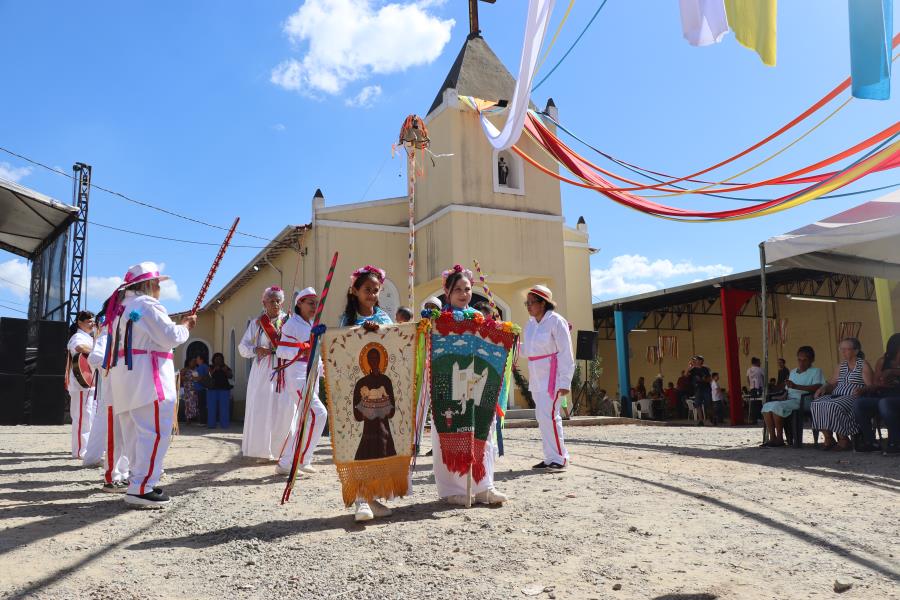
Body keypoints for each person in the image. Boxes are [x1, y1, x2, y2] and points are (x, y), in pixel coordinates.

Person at [107, 262, 195, 508]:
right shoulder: (147, 304)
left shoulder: (120, 309)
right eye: (156, 283)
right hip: (149, 377)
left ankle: (139, 481)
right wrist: (186, 326)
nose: (159, 288)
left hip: (126, 379)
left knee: (136, 434)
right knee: (155, 433)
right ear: (146, 284)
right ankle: (142, 487)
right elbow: (170, 337)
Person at [431, 265, 507, 506]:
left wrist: (502, 331)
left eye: (467, 289)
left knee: (483, 432)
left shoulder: (479, 319)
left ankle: (484, 486)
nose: (464, 294)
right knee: (448, 433)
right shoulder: (439, 320)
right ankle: (452, 489)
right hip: (448, 385)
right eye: (457, 290)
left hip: (476, 384)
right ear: (447, 291)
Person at [340, 265, 394, 522]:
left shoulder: (383, 318)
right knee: (359, 448)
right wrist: (361, 333)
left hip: (381, 408)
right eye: (367, 290)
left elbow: (394, 344)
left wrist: (380, 333)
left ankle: (373, 498)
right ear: (355, 291)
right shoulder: (347, 321)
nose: (372, 294)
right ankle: (361, 499)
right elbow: (344, 350)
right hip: (358, 395)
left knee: (380, 450)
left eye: (375, 290)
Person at [521, 284, 575, 470]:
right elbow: (527, 350)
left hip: (552, 378)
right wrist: (505, 341)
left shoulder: (556, 321)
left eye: (531, 302)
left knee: (551, 416)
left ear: (543, 303)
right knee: (542, 417)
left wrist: (565, 381)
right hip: (536, 377)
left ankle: (560, 458)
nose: (528, 306)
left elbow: (566, 352)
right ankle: (550, 456)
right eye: (526, 303)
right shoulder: (530, 324)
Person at [274, 288, 324, 476]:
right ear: (299, 303)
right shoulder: (291, 324)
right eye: (309, 302)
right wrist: (300, 348)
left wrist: (322, 370)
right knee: (318, 414)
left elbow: (316, 353)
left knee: (308, 418)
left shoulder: (312, 324)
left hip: (311, 374)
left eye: (315, 302)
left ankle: (290, 462)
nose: (314, 306)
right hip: (297, 376)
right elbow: (281, 351)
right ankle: (299, 459)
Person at [82, 304, 131, 491]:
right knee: (113, 431)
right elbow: (95, 358)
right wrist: (113, 371)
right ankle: (111, 475)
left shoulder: (124, 330)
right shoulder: (109, 331)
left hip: (124, 391)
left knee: (122, 432)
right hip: (113, 390)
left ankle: (119, 472)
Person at [238, 286, 288, 460]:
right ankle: (263, 451)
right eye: (271, 301)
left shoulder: (288, 320)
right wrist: (256, 349)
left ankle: (281, 450)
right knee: (263, 407)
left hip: (284, 368)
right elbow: (242, 347)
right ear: (264, 303)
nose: (275, 304)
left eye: (278, 301)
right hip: (263, 370)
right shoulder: (257, 324)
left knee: (282, 407)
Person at [810, 338, 874, 451]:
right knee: (816, 403)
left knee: (834, 405)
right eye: (841, 349)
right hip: (837, 395)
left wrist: (862, 390)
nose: (843, 352)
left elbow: (870, 385)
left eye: (846, 349)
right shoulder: (841, 365)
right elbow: (831, 382)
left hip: (853, 397)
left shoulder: (862, 364)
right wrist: (822, 388)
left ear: (856, 351)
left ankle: (844, 439)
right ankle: (829, 438)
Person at [760, 346, 825, 448]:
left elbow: (817, 387)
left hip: (804, 401)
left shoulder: (816, 371)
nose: (801, 363)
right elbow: (787, 389)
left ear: (811, 360)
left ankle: (780, 439)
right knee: (767, 406)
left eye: (805, 360)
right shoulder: (793, 372)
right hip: (790, 400)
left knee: (777, 407)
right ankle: (772, 438)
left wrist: (796, 386)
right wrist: (783, 396)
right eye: (799, 360)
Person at [852, 333, 900, 454]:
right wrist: (878, 385)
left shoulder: (890, 368)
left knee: (885, 403)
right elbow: (874, 384)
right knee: (859, 403)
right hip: (883, 396)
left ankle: (895, 442)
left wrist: (893, 372)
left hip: (894, 399)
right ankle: (871, 442)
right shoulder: (883, 361)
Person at [67, 310, 96, 460]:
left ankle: (86, 448)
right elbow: (79, 348)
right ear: (79, 323)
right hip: (80, 384)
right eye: (89, 321)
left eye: (93, 321)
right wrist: (97, 352)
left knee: (89, 417)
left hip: (89, 382)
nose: (92, 324)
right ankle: (79, 451)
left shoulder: (90, 337)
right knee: (81, 417)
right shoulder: (78, 336)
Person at [207, 353, 233, 429]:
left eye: (220, 358)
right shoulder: (210, 367)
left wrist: (225, 371)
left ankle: (224, 425)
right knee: (211, 408)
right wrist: (215, 369)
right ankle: (211, 425)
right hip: (212, 390)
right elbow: (209, 375)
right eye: (216, 358)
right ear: (213, 359)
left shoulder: (225, 367)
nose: (218, 360)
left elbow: (231, 376)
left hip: (224, 389)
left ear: (222, 359)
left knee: (224, 408)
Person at [688, 356, 712, 425]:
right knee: (698, 404)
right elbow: (686, 375)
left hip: (706, 388)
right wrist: (689, 367)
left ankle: (711, 417)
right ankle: (701, 420)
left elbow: (709, 379)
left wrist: (703, 380)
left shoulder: (705, 369)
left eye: (697, 360)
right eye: (695, 360)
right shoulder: (693, 369)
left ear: (701, 361)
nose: (695, 361)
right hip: (698, 389)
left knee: (708, 404)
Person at [179, 358, 200, 423]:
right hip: (188, 390)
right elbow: (180, 378)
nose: (194, 363)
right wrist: (188, 378)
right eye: (192, 362)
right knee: (188, 404)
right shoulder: (184, 370)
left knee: (196, 403)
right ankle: (188, 419)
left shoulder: (196, 369)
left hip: (196, 389)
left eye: (195, 362)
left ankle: (196, 418)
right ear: (188, 362)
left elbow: (199, 378)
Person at [193, 355, 209, 423]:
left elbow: (201, 377)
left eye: (198, 358)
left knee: (202, 405)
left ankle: (203, 421)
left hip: (201, 388)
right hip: (199, 389)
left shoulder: (203, 366)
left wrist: (194, 378)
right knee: (200, 405)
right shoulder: (200, 367)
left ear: (201, 360)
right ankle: (202, 421)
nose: (196, 359)